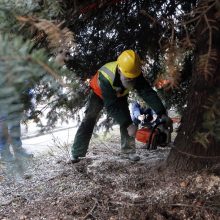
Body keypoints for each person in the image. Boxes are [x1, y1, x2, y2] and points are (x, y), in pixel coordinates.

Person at [71, 49, 172, 163]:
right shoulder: (106, 76)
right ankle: (77, 153)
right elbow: (111, 106)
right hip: (98, 94)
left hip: (119, 94)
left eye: (133, 77)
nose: (131, 79)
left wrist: (161, 113)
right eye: (128, 77)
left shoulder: (135, 72)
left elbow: (147, 92)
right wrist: (128, 125)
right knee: (89, 120)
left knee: (126, 118)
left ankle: (129, 152)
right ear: (119, 70)